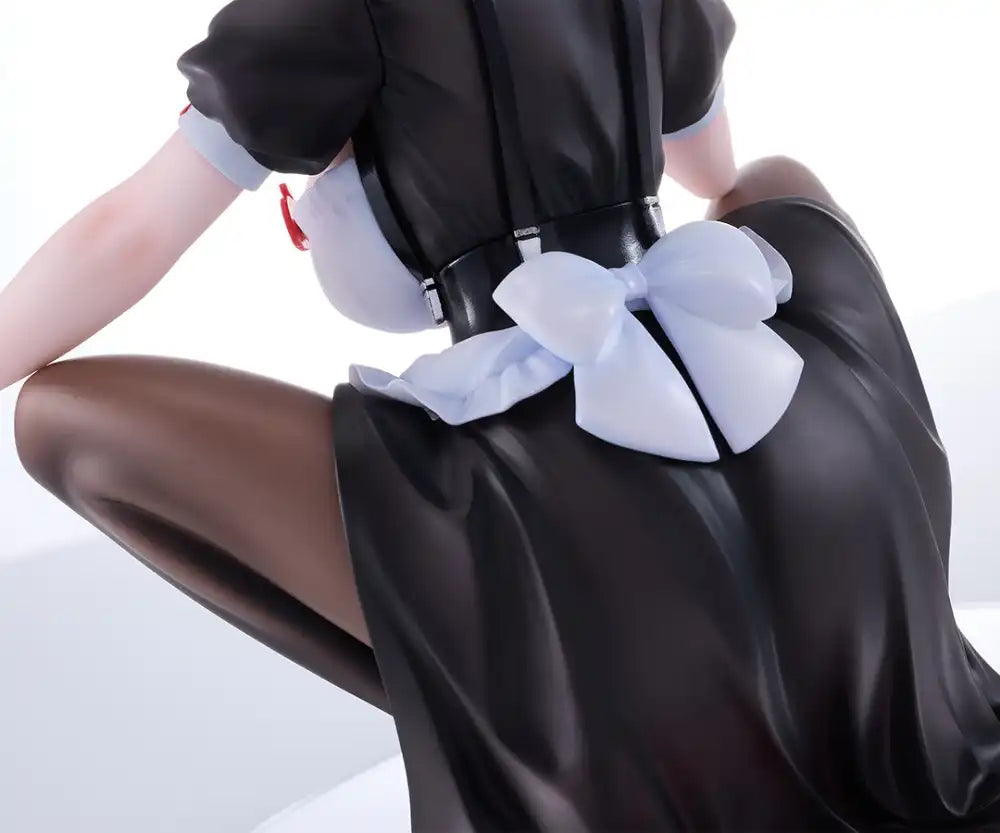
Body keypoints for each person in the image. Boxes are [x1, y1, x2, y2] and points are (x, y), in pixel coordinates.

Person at [6, 0, 1000, 829]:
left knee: (57, 418)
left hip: (557, 532)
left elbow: (126, 232)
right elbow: (714, 172)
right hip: (839, 488)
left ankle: (500, 702)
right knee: (780, 189)